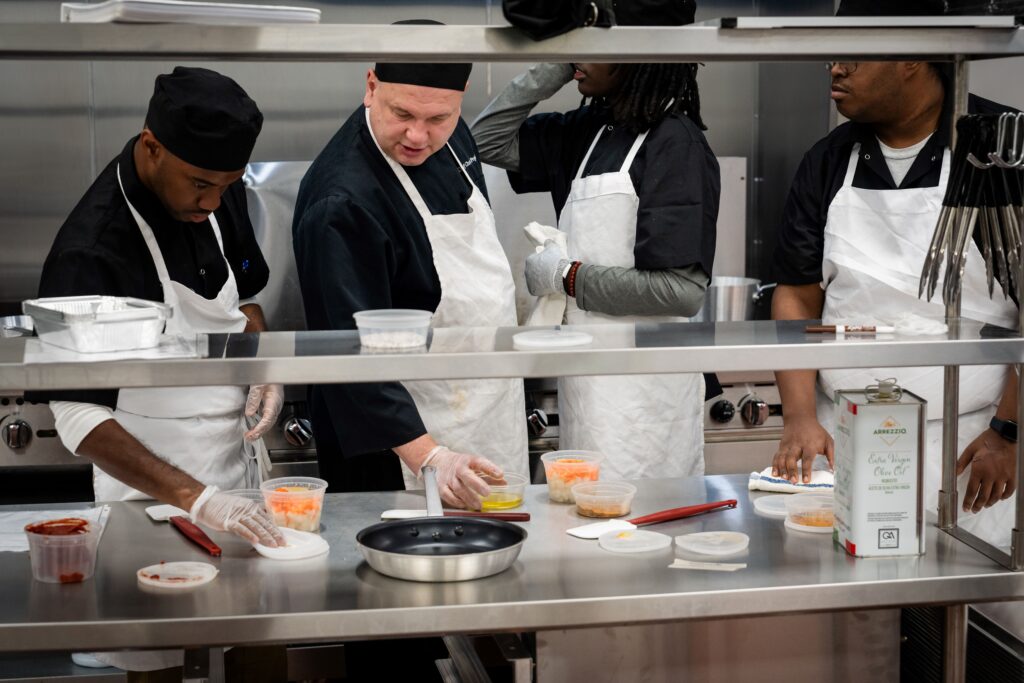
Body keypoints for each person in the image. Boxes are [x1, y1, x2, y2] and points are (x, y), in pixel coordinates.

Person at [29, 66, 286, 677]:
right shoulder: (91, 250)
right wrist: (198, 499)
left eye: (228, 185)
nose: (213, 202)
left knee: (263, 633)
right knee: (157, 651)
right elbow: (76, 412)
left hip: (239, 467)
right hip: (144, 488)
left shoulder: (220, 195)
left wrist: (262, 364)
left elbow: (246, 298)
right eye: (200, 184)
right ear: (152, 147)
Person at [770, 0, 1018, 550]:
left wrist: (1010, 433)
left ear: (911, 58)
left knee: (972, 604)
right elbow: (797, 293)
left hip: (973, 443)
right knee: (859, 612)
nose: (836, 69)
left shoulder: (998, 153)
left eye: (853, 55)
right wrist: (799, 417)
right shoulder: (829, 159)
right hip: (847, 437)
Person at [471, 1, 719, 480]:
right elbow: (484, 140)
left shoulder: (676, 143)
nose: (580, 54)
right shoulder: (589, 129)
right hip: (586, 386)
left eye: (596, 42)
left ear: (639, 52)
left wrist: (566, 277)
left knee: (636, 535)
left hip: (647, 405)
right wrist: (565, 60)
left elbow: (679, 291)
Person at [292, 20, 528, 509]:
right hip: (398, 447)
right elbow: (348, 355)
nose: (418, 136)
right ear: (371, 86)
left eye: (439, 118)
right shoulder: (342, 202)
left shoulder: (453, 135)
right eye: (401, 113)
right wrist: (432, 457)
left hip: (485, 408)